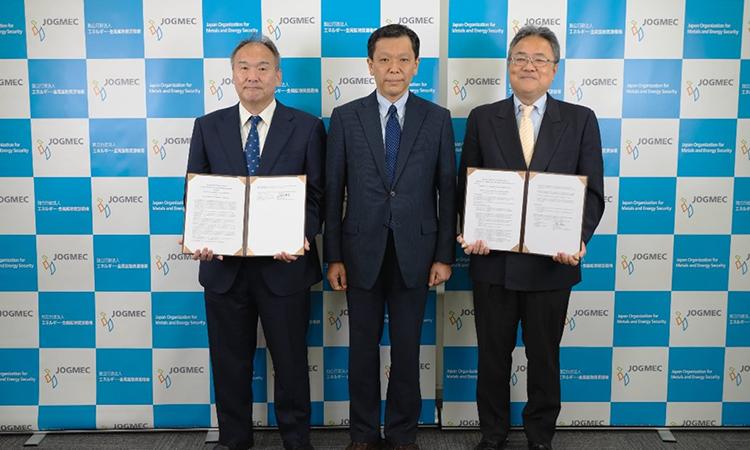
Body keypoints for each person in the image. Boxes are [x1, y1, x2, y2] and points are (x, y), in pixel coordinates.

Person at [457, 26, 604, 450]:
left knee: (544, 359)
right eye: (520, 58)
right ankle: (493, 435)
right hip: (493, 262)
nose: (529, 66)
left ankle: (540, 437)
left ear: (554, 70)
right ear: (508, 66)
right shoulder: (483, 118)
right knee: (492, 358)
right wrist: (470, 231)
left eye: (539, 59)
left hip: (551, 264)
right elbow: (467, 186)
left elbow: (592, 191)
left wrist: (578, 239)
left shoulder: (580, 119)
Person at [186, 36, 325, 450]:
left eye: (263, 67)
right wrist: (201, 236)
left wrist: (300, 236)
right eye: (244, 67)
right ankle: (234, 440)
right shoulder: (207, 126)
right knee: (230, 365)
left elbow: (317, 195)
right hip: (224, 269)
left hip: (285, 267)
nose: (253, 75)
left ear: (278, 76)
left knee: (290, 363)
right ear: (232, 75)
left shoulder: (307, 127)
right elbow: (197, 193)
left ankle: (297, 441)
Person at [324, 24, 456, 450]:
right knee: (361, 351)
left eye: (403, 60)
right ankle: (362, 434)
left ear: (417, 66)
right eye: (384, 59)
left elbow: (447, 191)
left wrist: (443, 255)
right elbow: (333, 191)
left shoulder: (437, 119)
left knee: (406, 351)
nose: (393, 68)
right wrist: (334, 256)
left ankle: (402, 434)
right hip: (359, 252)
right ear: (370, 65)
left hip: (416, 254)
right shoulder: (346, 117)